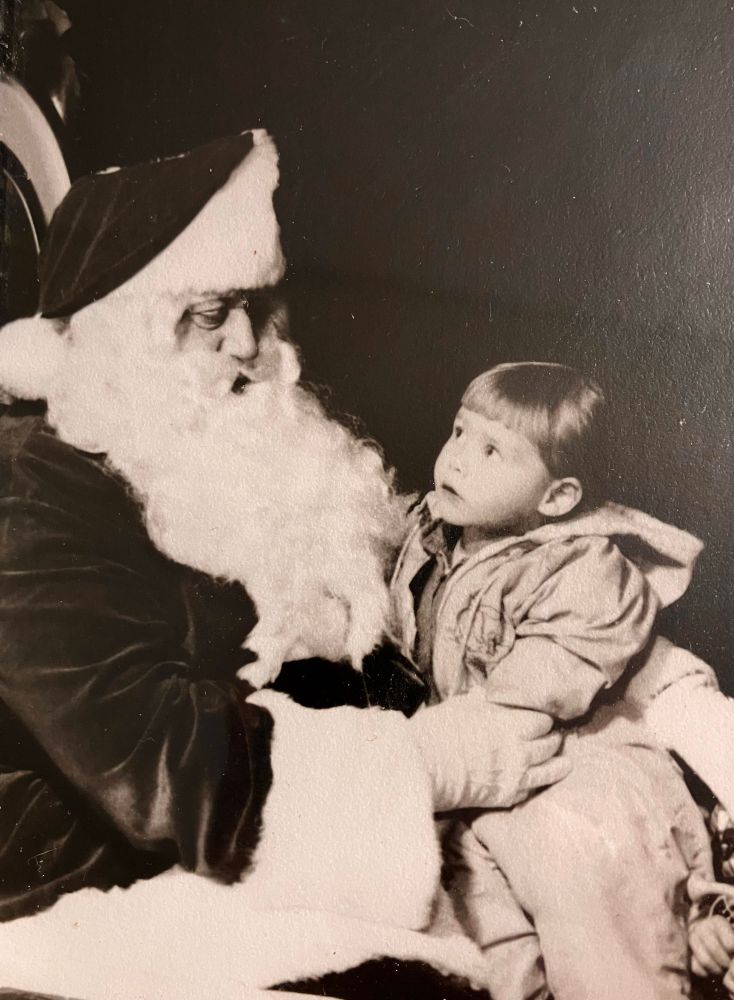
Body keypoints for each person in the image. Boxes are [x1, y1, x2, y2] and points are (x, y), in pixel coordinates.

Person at [0, 130, 570, 998]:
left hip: (333, 863)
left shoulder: (236, 447)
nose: (246, 342)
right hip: (104, 899)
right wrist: (427, 763)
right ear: (122, 333)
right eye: (209, 312)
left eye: (259, 305)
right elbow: (147, 756)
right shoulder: (32, 488)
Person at [389, 361, 730, 1000]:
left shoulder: (586, 570)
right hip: (487, 788)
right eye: (459, 432)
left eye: (491, 450)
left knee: (607, 947)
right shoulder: (437, 534)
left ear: (556, 498)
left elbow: (532, 695)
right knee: (490, 954)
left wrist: (428, 749)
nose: (457, 458)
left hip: (581, 784)